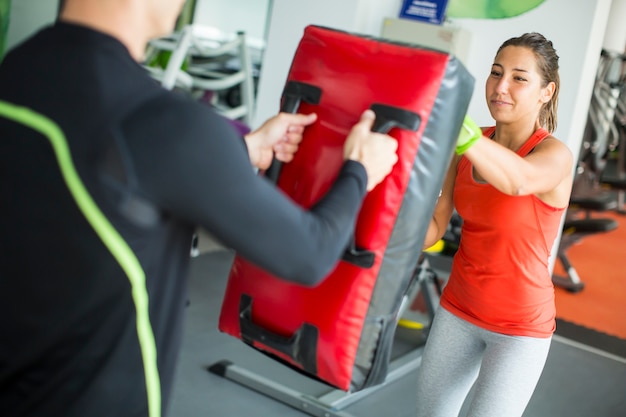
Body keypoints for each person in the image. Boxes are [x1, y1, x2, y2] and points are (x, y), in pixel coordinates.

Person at [0, 1, 399, 416]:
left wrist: (242, 150)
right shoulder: (163, 121)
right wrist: (360, 170)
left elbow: (105, 167)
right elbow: (309, 254)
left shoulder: (18, 72)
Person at [417, 32, 574, 417]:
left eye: (519, 78)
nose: (501, 87)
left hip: (520, 330)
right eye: (495, 72)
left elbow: (517, 180)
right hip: (457, 310)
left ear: (545, 91)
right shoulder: (469, 148)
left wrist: (461, 131)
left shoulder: (553, 154)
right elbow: (435, 227)